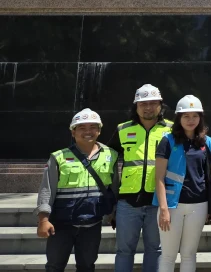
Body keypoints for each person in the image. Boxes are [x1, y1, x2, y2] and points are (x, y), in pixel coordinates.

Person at [36, 108, 118, 272]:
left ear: (99, 131)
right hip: (61, 224)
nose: (88, 132)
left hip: (92, 223)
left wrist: (114, 213)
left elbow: (114, 188)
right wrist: (43, 220)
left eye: (92, 127)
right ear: (73, 132)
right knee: (54, 265)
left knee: (87, 266)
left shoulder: (111, 155)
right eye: (82, 128)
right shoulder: (58, 157)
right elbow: (47, 190)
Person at [108, 84, 173, 272]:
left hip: (158, 202)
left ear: (161, 105)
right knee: (124, 251)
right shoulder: (122, 129)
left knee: (155, 249)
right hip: (128, 202)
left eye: (153, 103)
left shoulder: (171, 130)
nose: (148, 107)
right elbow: (107, 162)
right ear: (136, 106)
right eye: (143, 103)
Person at [153, 95, 211, 272]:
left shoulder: (208, 142)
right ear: (178, 118)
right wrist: (164, 209)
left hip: (199, 205)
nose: (191, 120)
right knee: (168, 255)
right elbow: (159, 177)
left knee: (189, 254)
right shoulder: (168, 141)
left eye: (195, 116)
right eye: (186, 116)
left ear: (200, 118)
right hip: (173, 206)